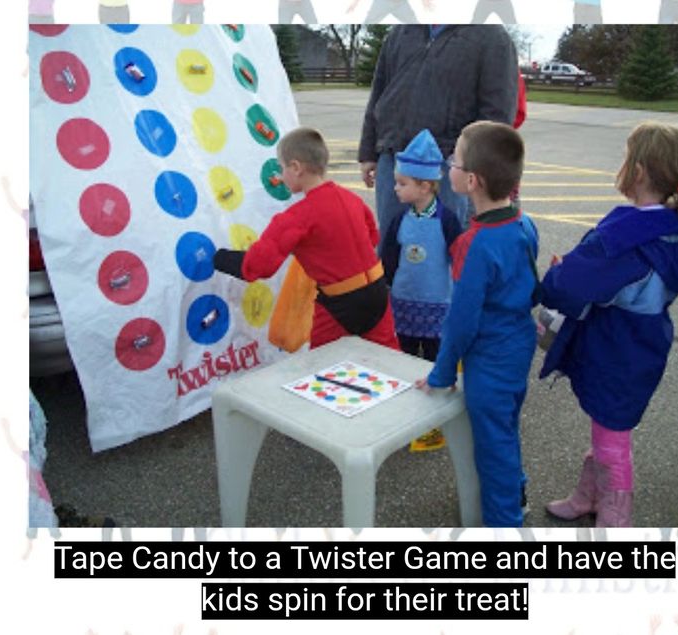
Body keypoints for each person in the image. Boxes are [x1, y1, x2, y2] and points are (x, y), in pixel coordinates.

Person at [540, 122, 678, 527]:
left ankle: (615, 518)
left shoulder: (626, 239)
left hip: (615, 348)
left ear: (640, 171)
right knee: (608, 429)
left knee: (612, 435)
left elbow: (570, 284)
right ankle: (589, 496)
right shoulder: (672, 233)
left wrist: (558, 276)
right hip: (643, 344)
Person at [416, 121, 539, 527]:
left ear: (470, 181)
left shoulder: (474, 245)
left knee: (492, 447)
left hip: (490, 360)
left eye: (454, 159)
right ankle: (516, 491)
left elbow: (461, 321)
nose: (448, 165)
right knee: (505, 428)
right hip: (518, 346)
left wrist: (442, 372)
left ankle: (504, 526)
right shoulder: (523, 222)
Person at [213, 127, 400, 351]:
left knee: (322, 369)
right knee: (388, 363)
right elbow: (372, 237)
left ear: (296, 167)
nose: (281, 176)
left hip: (339, 304)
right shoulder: (352, 199)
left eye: (282, 168)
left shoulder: (296, 218)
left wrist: (218, 258)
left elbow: (257, 266)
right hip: (377, 293)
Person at [357, 25, 518, 251]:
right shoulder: (401, 32)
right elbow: (379, 94)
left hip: (448, 166)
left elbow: (497, 114)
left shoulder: (491, 36)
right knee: (392, 246)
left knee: (443, 251)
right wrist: (368, 153)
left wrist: (468, 163)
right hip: (394, 160)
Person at [381, 129, 462, 452]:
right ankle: (404, 417)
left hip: (437, 305)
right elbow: (387, 257)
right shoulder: (399, 219)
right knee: (402, 360)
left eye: (402, 183)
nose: (395, 188)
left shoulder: (448, 220)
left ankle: (433, 421)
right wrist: (383, 287)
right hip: (403, 304)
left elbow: (459, 258)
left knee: (433, 361)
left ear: (425, 185)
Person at [347, 0, 433, 23]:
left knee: (414, 23)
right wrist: (355, 4)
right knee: (369, 21)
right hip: (382, 3)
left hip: (401, 4)